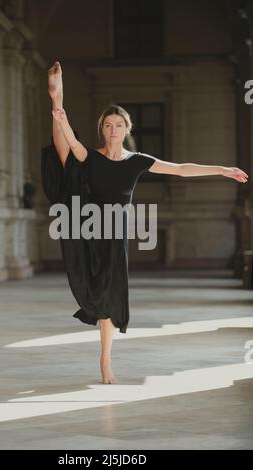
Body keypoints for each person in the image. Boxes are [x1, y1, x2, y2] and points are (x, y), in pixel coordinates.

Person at [46, 61, 248, 384]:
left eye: (119, 125)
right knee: (94, 291)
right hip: (88, 229)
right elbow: (72, 144)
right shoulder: (92, 157)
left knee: (110, 295)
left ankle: (105, 358)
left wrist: (222, 170)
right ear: (103, 129)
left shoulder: (137, 162)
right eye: (108, 125)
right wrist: (61, 112)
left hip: (115, 237)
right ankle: (56, 99)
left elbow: (181, 168)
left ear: (127, 129)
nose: (113, 130)